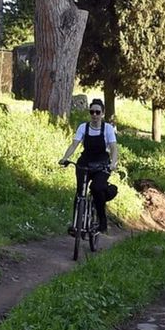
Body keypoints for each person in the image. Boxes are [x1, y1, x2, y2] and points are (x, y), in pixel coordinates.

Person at [59, 98, 118, 233]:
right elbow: (74, 144)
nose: (95, 115)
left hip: (102, 165)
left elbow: (114, 148)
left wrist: (113, 164)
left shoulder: (107, 129)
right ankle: (75, 224)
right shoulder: (83, 127)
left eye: (98, 112)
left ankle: (102, 221)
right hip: (85, 163)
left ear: (102, 113)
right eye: (92, 112)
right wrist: (65, 158)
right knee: (80, 193)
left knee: (97, 188)